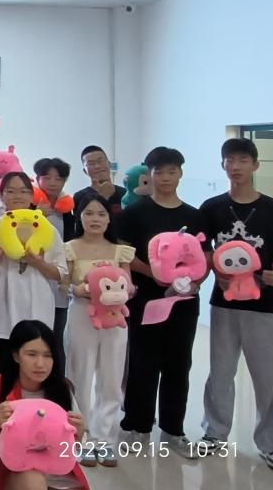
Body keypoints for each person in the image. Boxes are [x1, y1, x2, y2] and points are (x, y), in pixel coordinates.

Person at [117, 146, 206, 458]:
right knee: (143, 362)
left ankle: (173, 430)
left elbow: (204, 257)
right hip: (145, 298)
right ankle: (138, 426)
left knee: (179, 364)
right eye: (159, 172)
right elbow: (124, 253)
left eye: (172, 171)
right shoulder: (134, 213)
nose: (166, 177)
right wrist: (154, 273)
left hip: (183, 301)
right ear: (149, 174)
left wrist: (194, 282)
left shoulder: (194, 215)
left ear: (180, 174)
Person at [198, 138, 273, 467]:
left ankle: (269, 442)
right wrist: (214, 269)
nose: (236, 166)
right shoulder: (211, 207)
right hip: (225, 302)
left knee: (267, 377)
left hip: (265, 305)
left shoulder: (270, 208)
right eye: (230, 160)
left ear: (255, 165)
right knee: (220, 371)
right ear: (223, 165)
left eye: (243, 160)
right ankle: (214, 433)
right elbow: (202, 252)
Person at [63, 191, 134, 467]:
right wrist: (76, 289)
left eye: (101, 214)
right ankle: (81, 438)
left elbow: (129, 285)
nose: (95, 219)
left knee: (111, 377)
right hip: (82, 314)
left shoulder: (120, 250)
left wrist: (126, 291)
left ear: (108, 219)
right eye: (89, 213)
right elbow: (64, 284)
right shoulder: (70, 248)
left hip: (114, 318)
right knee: (79, 373)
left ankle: (104, 440)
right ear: (79, 217)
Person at [0, 321, 88, 490]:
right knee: (33, 480)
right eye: (32, 354)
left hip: (59, 475)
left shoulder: (62, 389)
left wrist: (80, 433)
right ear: (16, 356)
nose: (40, 364)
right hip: (16, 474)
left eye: (47, 355)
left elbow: (73, 450)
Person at [0, 172, 66, 376]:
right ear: (1, 195)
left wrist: (38, 263)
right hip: (0, 313)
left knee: (37, 372)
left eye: (23, 191)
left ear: (32, 195)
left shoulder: (47, 229)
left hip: (38, 311)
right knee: (1, 373)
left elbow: (61, 274)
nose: (17, 196)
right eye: (10, 191)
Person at [33, 157, 75, 375]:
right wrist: (36, 213)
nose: (52, 182)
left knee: (56, 335)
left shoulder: (67, 211)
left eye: (58, 178)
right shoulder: (29, 208)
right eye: (47, 177)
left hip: (58, 281)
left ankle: (57, 379)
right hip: (33, 277)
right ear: (37, 179)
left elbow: (71, 245)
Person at [72, 145, 125, 226]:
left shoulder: (124, 193)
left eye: (100, 161)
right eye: (90, 163)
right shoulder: (79, 197)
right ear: (85, 171)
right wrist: (103, 197)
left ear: (109, 164)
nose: (97, 166)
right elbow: (81, 227)